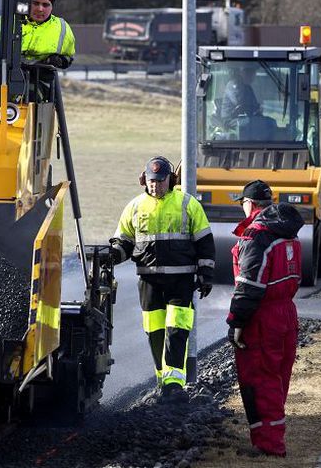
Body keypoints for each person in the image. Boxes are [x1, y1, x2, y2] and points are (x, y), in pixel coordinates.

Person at [110, 157, 215, 404]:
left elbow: (204, 242)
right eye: (152, 180)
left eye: (160, 180)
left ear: (171, 180)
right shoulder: (134, 207)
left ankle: (174, 384)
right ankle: (163, 380)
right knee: (155, 331)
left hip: (181, 280)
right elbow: (124, 241)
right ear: (144, 179)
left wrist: (206, 274)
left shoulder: (187, 204)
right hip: (149, 281)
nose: (156, 185)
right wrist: (112, 255)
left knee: (177, 330)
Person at [227, 179, 304, 457]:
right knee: (278, 378)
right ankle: (271, 437)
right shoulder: (288, 233)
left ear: (250, 204)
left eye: (243, 203)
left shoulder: (257, 235)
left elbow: (249, 285)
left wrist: (236, 321)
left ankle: (269, 445)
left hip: (262, 318)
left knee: (261, 379)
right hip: (286, 313)